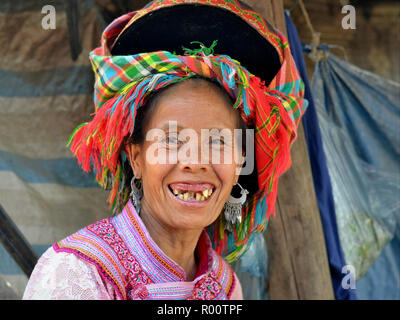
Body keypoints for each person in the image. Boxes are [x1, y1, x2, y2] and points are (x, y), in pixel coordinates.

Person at [23, 0, 307, 300]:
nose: (195, 162)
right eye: (172, 140)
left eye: (218, 141)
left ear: (241, 161)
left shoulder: (224, 286)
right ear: (136, 157)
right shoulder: (77, 273)